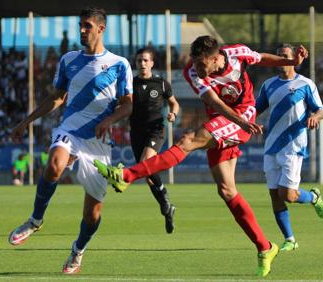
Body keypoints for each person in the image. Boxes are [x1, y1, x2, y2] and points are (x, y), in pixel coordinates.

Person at [95, 35, 310, 277]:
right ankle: (265, 246)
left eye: (201, 64)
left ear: (216, 58)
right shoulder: (192, 72)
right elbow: (214, 102)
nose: (196, 68)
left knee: (187, 141)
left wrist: (288, 61)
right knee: (227, 190)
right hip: (225, 117)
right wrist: (237, 120)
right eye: (194, 63)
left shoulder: (238, 53)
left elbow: (261, 58)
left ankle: (126, 175)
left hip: (244, 115)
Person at [8, 7, 133, 275]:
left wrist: (109, 121)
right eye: (80, 25)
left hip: (99, 143)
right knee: (54, 164)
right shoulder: (68, 60)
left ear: (101, 28)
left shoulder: (119, 64)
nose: (82, 30)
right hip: (70, 129)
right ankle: (35, 220)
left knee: (93, 214)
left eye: (87, 25)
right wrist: (26, 121)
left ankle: (78, 251)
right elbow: (56, 98)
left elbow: (127, 105)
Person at [255, 43, 323, 252]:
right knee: (274, 195)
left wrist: (314, 116)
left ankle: (313, 197)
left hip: (293, 146)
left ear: (294, 57)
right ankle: (290, 239)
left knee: (288, 195)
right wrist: (245, 122)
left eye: (284, 55)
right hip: (271, 146)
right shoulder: (269, 85)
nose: (281, 59)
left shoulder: (305, 84)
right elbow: (255, 109)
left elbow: (321, 111)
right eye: (278, 56)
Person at [130, 47, 180, 233]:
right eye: (139, 61)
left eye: (145, 60)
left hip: (156, 131)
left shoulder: (161, 83)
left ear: (151, 63)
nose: (142, 63)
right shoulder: (130, 83)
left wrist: (173, 114)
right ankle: (167, 209)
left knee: (145, 163)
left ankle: (165, 198)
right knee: (145, 173)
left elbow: (174, 103)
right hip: (136, 133)